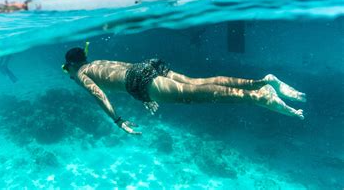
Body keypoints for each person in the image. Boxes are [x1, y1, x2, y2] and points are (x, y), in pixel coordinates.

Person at [62, 46, 306, 135]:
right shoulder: (98, 63)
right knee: (199, 83)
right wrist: (143, 98)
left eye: (67, 70)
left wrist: (117, 120)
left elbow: (99, 93)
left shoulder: (82, 73)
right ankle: (261, 83)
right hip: (147, 67)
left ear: (72, 65)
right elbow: (123, 75)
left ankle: (260, 97)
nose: (69, 75)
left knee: (197, 95)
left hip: (141, 81)